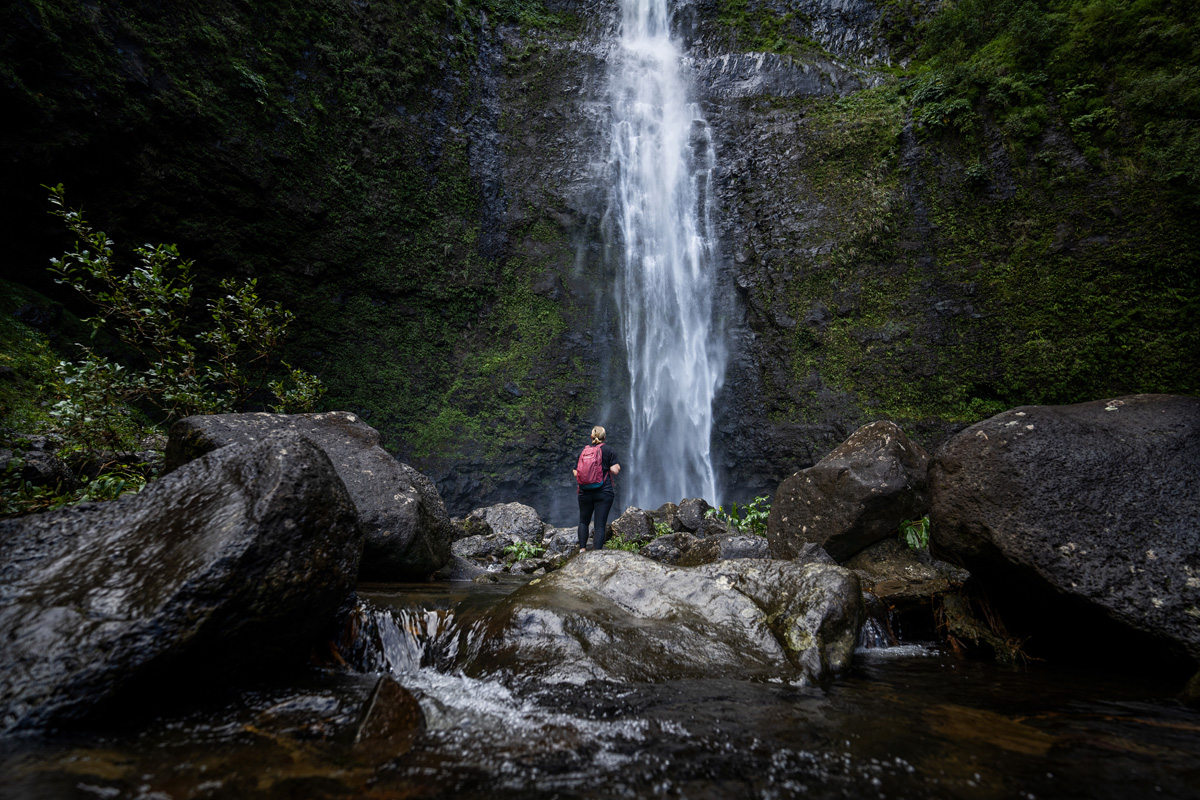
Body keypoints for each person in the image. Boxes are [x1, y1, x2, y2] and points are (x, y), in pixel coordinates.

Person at [573, 425, 621, 552]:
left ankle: (582, 549)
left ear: (591, 437)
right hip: (604, 492)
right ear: (604, 437)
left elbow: (576, 473)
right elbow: (615, 470)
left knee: (583, 521)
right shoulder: (609, 450)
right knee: (600, 524)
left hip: (585, 492)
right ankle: (597, 553)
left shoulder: (582, 452)